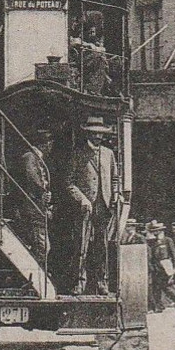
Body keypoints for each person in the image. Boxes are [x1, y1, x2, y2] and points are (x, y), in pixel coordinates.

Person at [67, 121, 117, 295]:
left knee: (102, 246)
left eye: (101, 133)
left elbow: (115, 179)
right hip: (85, 207)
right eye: (94, 133)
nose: (98, 136)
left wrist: (115, 196)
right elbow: (70, 183)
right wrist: (82, 199)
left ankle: (102, 283)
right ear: (88, 134)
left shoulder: (109, 154)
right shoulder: (78, 154)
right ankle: (78, 283)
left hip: (103, 206)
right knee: (81, 245)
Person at [12, 128, 53, 261]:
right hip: (32, 207)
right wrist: (42, 194)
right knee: (42, 246)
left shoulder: (37, 159)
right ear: (44, 144)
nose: (51, 147)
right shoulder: (30, 158)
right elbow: (33, 181)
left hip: (37, 207)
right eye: (49, 143)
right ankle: (37, 275)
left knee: (42, 245)